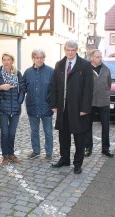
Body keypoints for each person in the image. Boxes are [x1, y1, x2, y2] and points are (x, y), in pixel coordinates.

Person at [51, 40, 93, 174]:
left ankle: (77, 164)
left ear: (76, 50)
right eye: (68, 50)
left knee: (79, 137)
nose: (70, 52)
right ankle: (65, 159)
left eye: (73, 50)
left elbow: (88, 88)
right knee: (63, 136)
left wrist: (85, 108)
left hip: (78, 108)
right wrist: (54, 104)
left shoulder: (85, 65)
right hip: (62, 108)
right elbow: (55, 86)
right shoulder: (59, 64)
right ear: (65, 50)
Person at [0, 52, 25, 165]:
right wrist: (0, 87)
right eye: (4, 60)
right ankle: (5, 156)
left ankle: (11, 154)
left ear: (12, 61)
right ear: (2, 61)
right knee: (5, 133)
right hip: (2, 109)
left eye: (9, 60)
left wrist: (19, 102)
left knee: (12, 133)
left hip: (15, 109)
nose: (6, 62)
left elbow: (22, 89)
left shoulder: (17, 74)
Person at [23, 49, 54, 160]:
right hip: (32, 107)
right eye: (37, 57)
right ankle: (36, 151)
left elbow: (55, 90)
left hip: (46, 107)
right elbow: (23, 89)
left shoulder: (51, 71)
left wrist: (54, 105)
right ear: (33, 58)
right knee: (34, 131)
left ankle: (49, 152)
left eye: (41, 57)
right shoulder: (27, 72)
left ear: (44, 58)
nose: (39, 59)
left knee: (48, 131)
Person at [84, 49, 114, 158]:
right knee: (88, 126)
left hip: (103, 102)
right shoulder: (86, 69)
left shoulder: (106, 69)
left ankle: (105, 149)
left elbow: (109, 84)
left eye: (100, 56)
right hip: (90, 102)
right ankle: (88, 148)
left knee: (106, 126)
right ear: (92, 58)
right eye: (97, 56)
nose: (100, 58)